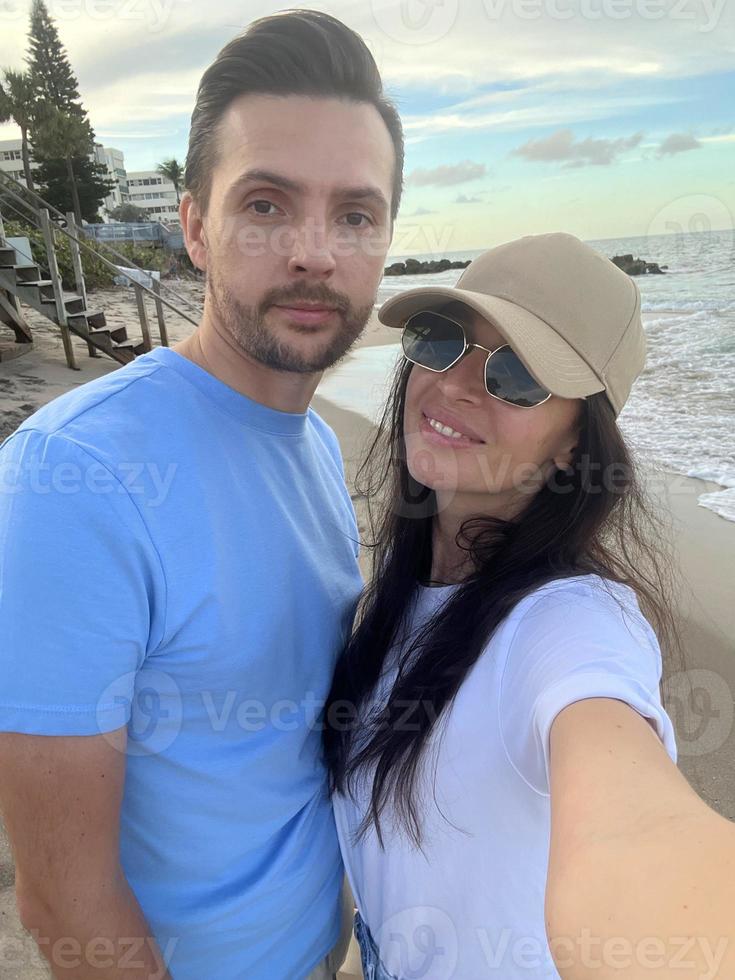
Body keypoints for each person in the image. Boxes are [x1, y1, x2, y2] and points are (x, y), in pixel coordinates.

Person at [0, 11, 402, 980]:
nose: (315, 250)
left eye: (355, 213)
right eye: (267, 204)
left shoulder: (309, 442)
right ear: (194, 228)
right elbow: (64, 894)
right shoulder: (75, 476)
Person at [324, 232, 735, 979]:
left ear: (573, 447)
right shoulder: (404, 596)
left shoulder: (570, 622)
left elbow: (637, 829)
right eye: (441, 339)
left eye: (517, 376)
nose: (454, 384)